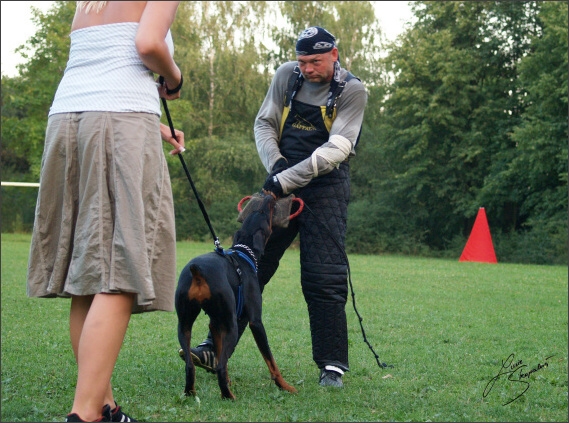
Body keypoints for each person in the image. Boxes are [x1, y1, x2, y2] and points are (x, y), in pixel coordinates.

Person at [26, 1, 185, 421]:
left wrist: (159, 126)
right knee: (120, 267)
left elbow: (99, 62)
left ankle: (105, 406)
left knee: (89, 275)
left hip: (68, 121)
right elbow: (148, 44)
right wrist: (174, 76)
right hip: (120, 118)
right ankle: (85, 415)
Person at [190, 26, 367, 388]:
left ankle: (332, 365)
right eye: (302, 61)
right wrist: (276, 163)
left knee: (324, 276)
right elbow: (265, 122)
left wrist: (285, 179)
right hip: (280, 177)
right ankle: (214, 347)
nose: (307, 69)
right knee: (245, 267)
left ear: (335, 54)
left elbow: (338, 149)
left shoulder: (352, 90)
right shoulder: (287, 75)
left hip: (326, 189)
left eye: (315, 62)